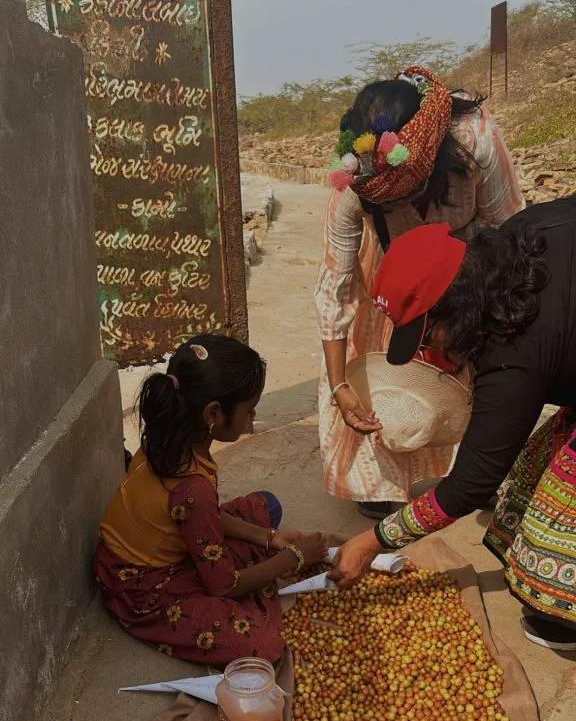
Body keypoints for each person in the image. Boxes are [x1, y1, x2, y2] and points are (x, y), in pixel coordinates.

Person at [330, 199, 576, 652]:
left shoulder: (514, 352)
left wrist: (373, 541)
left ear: (458, 310)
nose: (427, 348)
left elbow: (470, 484)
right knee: (533, 476)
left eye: (428, 334)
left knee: (559, 515)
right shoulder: (516, 237)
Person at [315, 64, 524, 520]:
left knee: (478, 366)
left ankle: (473, 475)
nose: (396, 210)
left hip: (471, 262)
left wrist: (468, 304)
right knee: (386, 364)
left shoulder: (476, 143)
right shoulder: (353, 184)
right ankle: (382, 483)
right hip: (394, 271)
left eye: (403, 200)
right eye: (383, 206)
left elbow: (508, 234)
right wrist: (340, 386)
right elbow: (334, 288)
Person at [95, 335, 327, 664]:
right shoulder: (192, 488)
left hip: (150, 548)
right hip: (140, 590)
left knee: (266, 506)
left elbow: (201, 517)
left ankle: (250, 552)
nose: (253, 417)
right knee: (263, 646)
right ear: (213, 413)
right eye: (249, 409)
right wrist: (295, 557)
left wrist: (269, 538)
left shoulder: (165, 435)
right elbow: (226, 587)